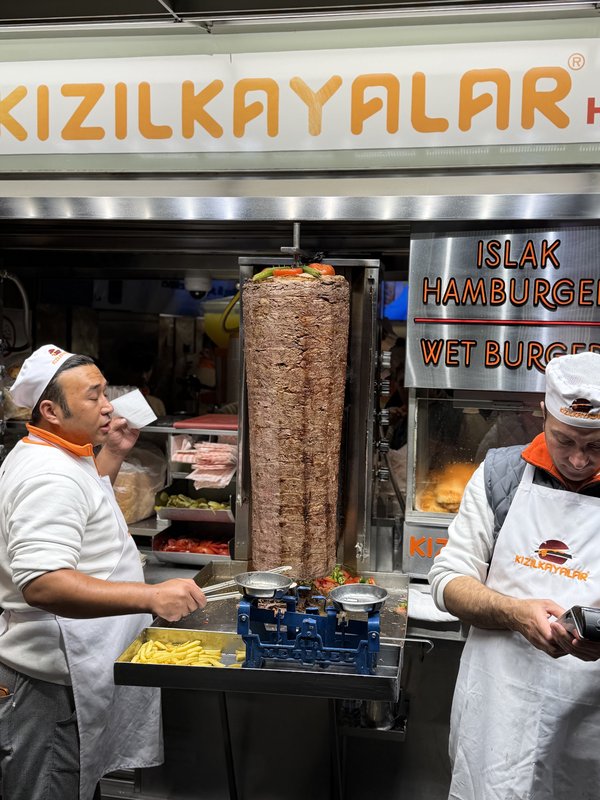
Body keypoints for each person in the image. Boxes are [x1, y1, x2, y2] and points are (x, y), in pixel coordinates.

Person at [0, 344, 207, 800]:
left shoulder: (61, 453)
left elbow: (85, 502)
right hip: (49, 685)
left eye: (105, 391)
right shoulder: (46, 476)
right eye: (94, 396)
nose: (108, 405)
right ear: (51, 410)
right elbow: (43, 582)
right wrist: (150, 597)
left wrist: (112, 454)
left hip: (71, 672)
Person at [429, 350, 600, 800]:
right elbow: (447, 580)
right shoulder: (499, 475)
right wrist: (514, 613)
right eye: (565, 441)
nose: (579, 460)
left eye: (596, 445)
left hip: (588, 723)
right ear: (542, 414)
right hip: (498, 713)